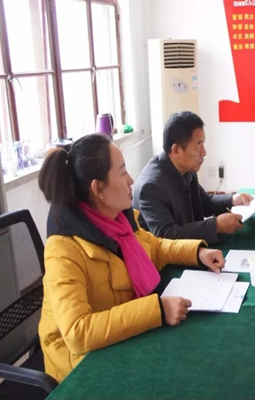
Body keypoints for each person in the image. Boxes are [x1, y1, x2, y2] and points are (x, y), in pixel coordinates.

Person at [37, 134, 225, 382]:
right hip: (81, 369)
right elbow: (77, 332)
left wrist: (198, 253)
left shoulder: (119, 220)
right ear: (98, 188)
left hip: (122, 340)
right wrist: (157, 309)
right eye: (123, 171)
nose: (131, 180)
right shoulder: (63, 249)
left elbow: (155, 247)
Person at [133, 112, 253, 244]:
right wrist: (215, 226)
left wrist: (233, 200)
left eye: (203, 143)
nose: (204, 152)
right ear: (176, 151)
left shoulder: (186, 168)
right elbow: (166, 235)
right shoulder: (151, 187)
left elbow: (205, 203)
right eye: (198, 145)